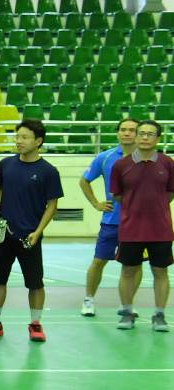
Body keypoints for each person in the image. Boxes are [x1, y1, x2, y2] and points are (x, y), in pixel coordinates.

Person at [0, 119, 64, 343]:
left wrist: (38, 232)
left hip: (29, 237)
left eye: (24, 137)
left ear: (38, 141)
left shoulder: (48, 171)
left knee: (35, 283)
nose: (19, 141)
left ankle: (36, 324)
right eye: (17, 136)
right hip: (2, 235)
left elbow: (52, 205)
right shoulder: (5, 164)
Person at [110, 119, 173, 333]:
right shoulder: (121, 165)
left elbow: (170, 194)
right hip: (130, 230)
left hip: (161, 230)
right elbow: (117, 195)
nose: (145, 137)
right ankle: (127, 312)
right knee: (128, 271)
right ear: (136, 136)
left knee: (160, 272)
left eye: (150, 134)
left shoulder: (167, 163)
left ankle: (159, 315)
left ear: (158, 138)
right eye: (142, 133)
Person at [79, 118, 139, 316]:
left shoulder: (148, 158)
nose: (127, 133)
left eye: (132, 130)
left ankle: (127, 304)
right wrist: (96, 203)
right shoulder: (105, 157)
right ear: (117, 133)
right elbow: (84, 181)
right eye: (123, 129)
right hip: (111, 222)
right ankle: (88, 299)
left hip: (138, 224)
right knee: (99, 261)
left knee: (133, 265)